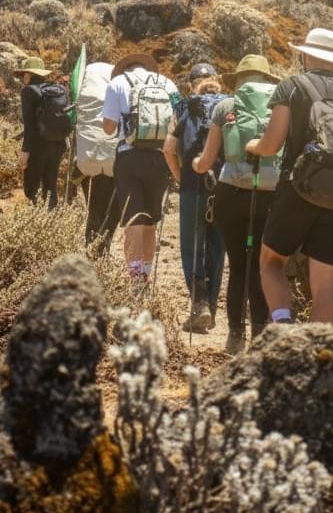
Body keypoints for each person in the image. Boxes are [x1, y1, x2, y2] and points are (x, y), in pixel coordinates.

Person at [246, 28, 333, 325]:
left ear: (305, 55)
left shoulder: (292, 87)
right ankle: (321, 354)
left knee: (271, 262)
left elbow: (272, 144)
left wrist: (253, 145)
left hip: (296, 190)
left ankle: (283, 325)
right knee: (325, 284)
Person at [192, 54, 280, 354]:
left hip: (233, 193)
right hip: (269, 194)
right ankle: (259, 334)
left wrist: (195, 164)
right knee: (262, 265)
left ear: (239, 79)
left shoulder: (225, 106)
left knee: (238, 266)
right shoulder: (281, 107)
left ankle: (234, 337)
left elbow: (206, 162)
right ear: (267, 79)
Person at [102, 51, 179, 287]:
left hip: (129, 157)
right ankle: (145, 275)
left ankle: (135, 280)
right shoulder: (167, 83)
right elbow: (179, 120)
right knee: (150, 220)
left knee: (133, 221)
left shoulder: (117, 83)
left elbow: (108, 127)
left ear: (126, 68)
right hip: (160, 157)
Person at [163, 62, 226, 333]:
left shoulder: (182, 106)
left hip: (192, 185)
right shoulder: (229, 105)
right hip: (224, 186)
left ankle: (198, 303)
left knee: (191, 246)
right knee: (216, 245)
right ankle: (211, 307)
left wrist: (180, 178)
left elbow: (168, 149)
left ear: (191, 84)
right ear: (217, 82)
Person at [73, 60, 122, 251]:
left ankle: (93, 249)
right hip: (116, 155)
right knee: (112, 209)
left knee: (94, 207)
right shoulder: (122, 88)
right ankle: (102, 247)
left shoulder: (87, 82)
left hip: (89, 155)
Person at [15, 56, 69, 209]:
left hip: (38, 145)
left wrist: (25, 151)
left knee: (31, 188)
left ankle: (37, 221)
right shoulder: (56, 89)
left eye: (24, 75)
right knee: (50, 184)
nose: (22, 78)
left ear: (29, 75)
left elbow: (30, 125)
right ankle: (51, 220)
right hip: (58, 144)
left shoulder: (28, 91)